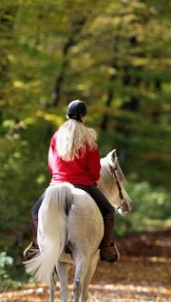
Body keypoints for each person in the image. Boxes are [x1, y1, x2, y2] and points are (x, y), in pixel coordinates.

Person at [23, 99, 118, 263]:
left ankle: (37, 246)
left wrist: (58, 177)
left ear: (67, 115)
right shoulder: (89, 137)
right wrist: (93, 179)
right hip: (84, 184)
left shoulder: (57, 136)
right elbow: (95, 169)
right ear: (84, 117)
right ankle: (106, 248)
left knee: (35, 212)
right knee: (109, 211)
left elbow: (51, 164)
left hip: (57, 184)